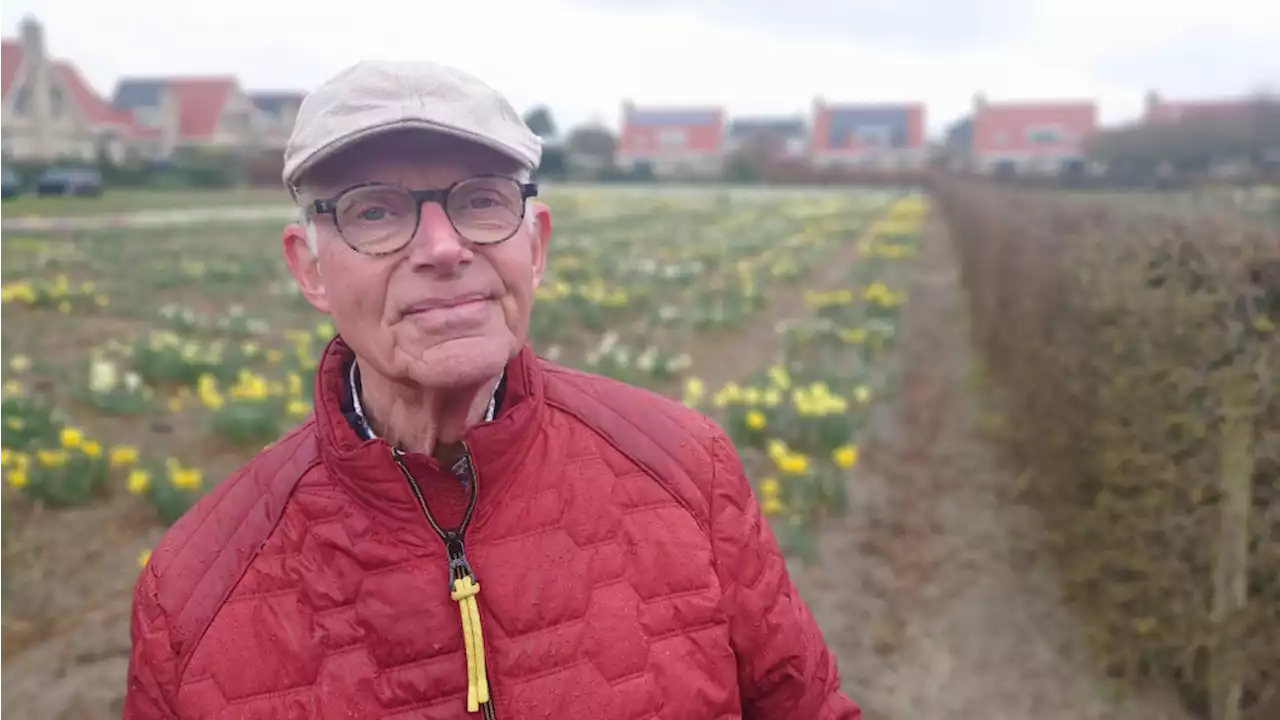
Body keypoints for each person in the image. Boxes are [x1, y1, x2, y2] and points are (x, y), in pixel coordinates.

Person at [123, 59, 861, 719]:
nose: (444, 249)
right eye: (374, 210)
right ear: (310, 269)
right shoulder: (193, 593)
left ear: (534, 246)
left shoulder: (687, 472)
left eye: (480, 201)